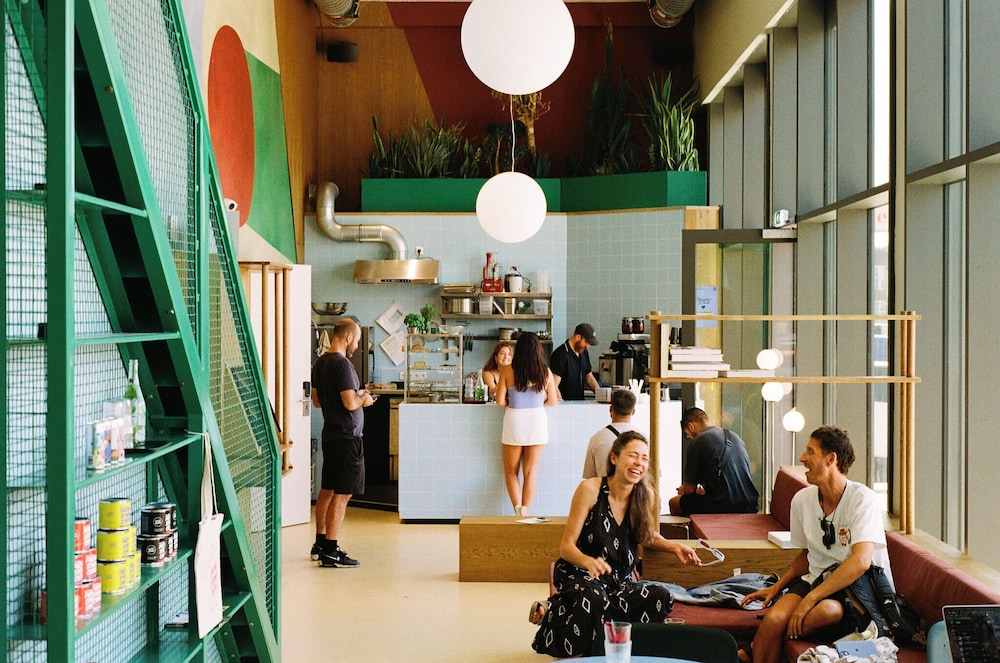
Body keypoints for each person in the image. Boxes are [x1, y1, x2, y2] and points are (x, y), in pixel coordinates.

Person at [529, 432, 702, 658]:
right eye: (633, 455)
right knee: (594, 597)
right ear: (614, 458)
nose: (639, 463)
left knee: (660, 595)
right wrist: (588, 562)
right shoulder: (590, 489)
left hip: (618, 582)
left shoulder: (645, 495)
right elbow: (566, 547)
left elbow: (645, 535)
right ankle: (588, 649)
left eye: (644, 458)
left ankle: (627, 650)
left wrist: (674, 547)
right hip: (581, 576)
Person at [737, 426, 894, 663]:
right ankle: (757, 648)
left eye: (810, 451)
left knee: (827, 611)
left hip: (854, 588)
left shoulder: (862, 499)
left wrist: (809, 600)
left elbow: (861, 561)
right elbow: (807, 555)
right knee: (774, 619)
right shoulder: (802, 500)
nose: (802, 458)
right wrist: (777, 587)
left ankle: (753, 649)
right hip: (815, 579)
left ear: (831, 459)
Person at [310, 319, 377, 568]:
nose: (357, 346)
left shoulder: (320, 363)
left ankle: (320, 543)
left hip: (331, 435)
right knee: (343, 493)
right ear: (348, 337)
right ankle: (331, 550)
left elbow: (317, 401)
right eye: (357, 341)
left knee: (328, 490)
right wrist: (364, 400)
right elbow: (350, 403)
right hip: (347, 438)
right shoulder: (343, 364)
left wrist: (354, 396)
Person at [496, 332, 558, 516]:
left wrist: (513, 403)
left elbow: (499, 401)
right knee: (530, 472)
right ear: (538, 350)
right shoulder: (545, 371)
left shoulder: (507, 370)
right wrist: (538, 401)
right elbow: (553, 401)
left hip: (514, 420)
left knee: (511, 471)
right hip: (537, 420)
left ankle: (518, 509)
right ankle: (526, 510)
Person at [668, 407, 759, 516]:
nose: (690, 438)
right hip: (749, 504)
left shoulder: (698, 441)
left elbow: (689, 490)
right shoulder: (734, 437)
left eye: (688, 434)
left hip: (724, 505)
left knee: (674, 503)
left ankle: (695, 528)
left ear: (691, 426)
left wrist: (683, 490)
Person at [582, 389, 638, 478]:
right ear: (633, 412)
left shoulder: (597, 439)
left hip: (605, 486)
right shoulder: (642, 439)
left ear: (611, 409)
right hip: (635, 487)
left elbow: (590, 478)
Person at [549, 322, 600, 400]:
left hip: (580, 403)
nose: (587, 346)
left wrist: (601, 394)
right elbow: (554, 385)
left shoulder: (584, 352)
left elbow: (589, 377)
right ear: (578, 337)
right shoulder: (560, 354)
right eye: (586, 342)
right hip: (565, 403)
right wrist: (561, 404)